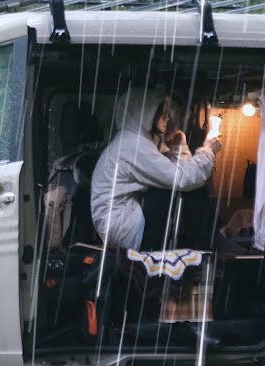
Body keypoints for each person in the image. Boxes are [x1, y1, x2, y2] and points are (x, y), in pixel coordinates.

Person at [90, 87, 222, 250]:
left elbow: (178, 173)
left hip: (122, 223)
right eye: (161, 113)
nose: (167, 118)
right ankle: (212, 242)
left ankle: (209, 240)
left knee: (181, 187)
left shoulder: (133, 142)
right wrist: (208, 151)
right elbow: (181, 179)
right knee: (179, 189)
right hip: (124, 228)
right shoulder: (133, 146)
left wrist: (178, 147)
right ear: (145, 114)